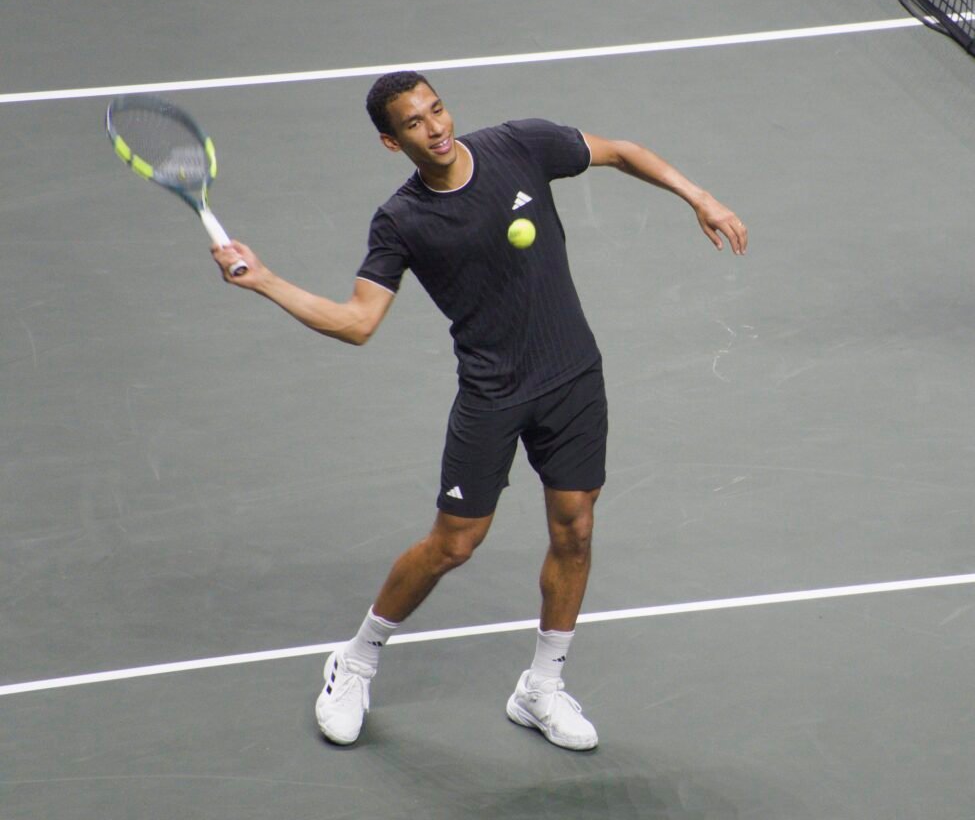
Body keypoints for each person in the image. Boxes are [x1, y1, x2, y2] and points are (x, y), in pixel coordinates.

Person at [212, 71, 747, 751]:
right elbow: (357, 322)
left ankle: (541, 688)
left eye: (436, 110)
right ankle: (356, 658)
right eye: (413, 122)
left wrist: (698, 197)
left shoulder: (518, 146)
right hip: (493, 392)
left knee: (575, 530)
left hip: (573, 376)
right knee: (454, 544)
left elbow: (619, 150)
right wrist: (263, 282)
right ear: (389, 140)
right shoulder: (401, 220)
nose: (434, 128)